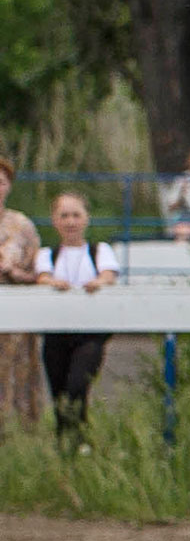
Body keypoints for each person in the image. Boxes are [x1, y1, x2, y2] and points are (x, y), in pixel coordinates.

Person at [34, 191, 118, 444]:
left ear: (86, 219)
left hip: (90, 333)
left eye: (76, 215)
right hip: (57, 332)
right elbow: (42, 277)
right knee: (59, 393)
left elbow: (109, 275)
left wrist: (98, 282)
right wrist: (52, 282)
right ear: (55, 221)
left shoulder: (99, 250)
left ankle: (80, 440)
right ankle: (67, 445)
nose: (70, 222)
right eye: (64, 216)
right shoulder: (46, 254)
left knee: (77, 386)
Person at [0, 154, 41, 427]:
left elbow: (39, 271)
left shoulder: (22, 225)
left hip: (15, 312)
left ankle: (20, 433)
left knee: (16, 372)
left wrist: (16, 273)